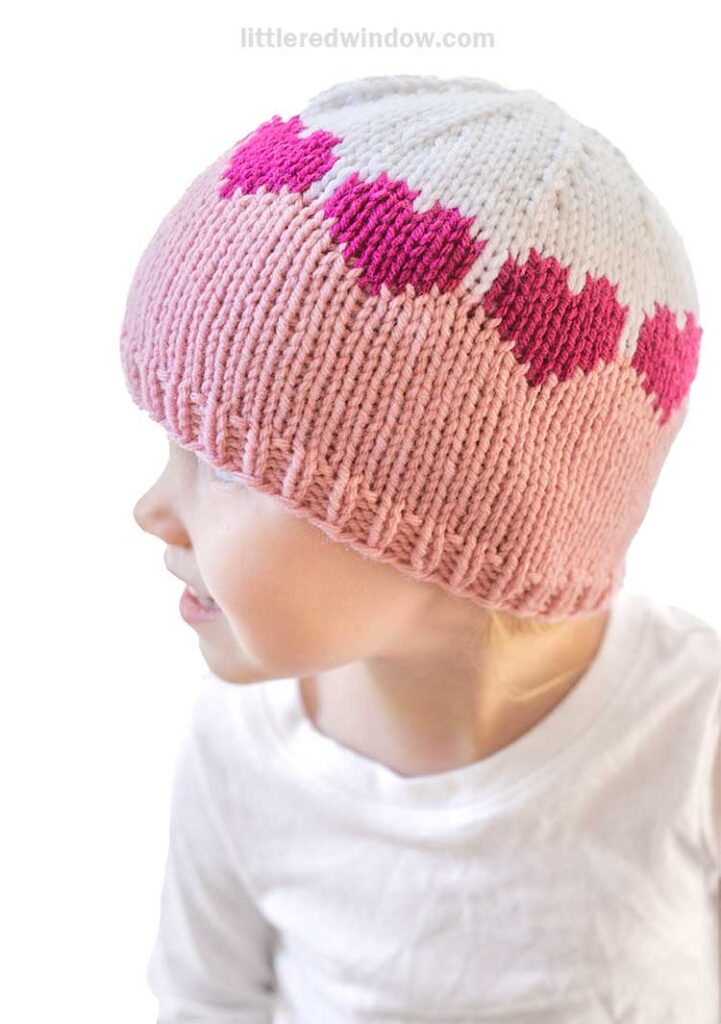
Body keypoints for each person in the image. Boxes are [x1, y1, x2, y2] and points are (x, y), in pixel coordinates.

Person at [121, 74, 720, 1023]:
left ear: (451, 518)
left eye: (226, 465)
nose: (153, 507)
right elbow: (207, 1003)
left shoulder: (691, 737)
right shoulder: (237, 754)